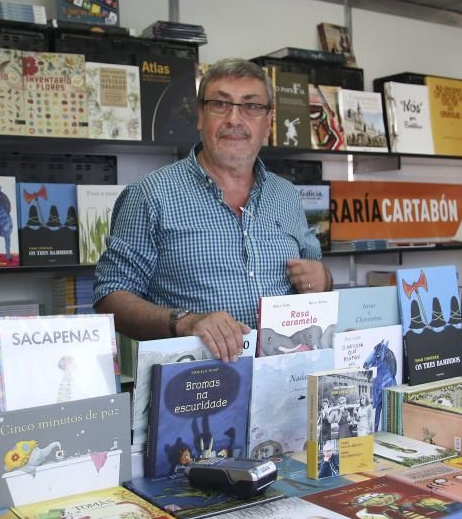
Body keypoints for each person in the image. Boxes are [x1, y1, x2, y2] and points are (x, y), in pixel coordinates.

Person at [93, 58, 331, 362]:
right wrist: (186, 321)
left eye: (251, 106)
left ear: (268, 121)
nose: (234, 119)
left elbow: (314, 284)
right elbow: (109, 297)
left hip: (284, 383)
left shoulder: (286, 195)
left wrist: (320, 280)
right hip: (195, 391)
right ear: (200, 116)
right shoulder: (150, 195)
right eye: (220, 104)